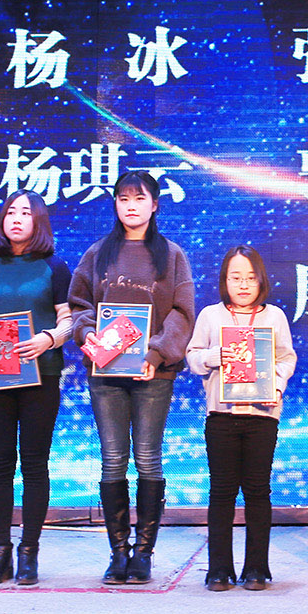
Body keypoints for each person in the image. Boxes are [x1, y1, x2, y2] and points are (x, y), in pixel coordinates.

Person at [67, 171, 196, 585]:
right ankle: (118, 552)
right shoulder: (97, 253)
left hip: (153, 374)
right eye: (123, 198)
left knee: (147, 458)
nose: (131, 206)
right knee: (112, 460)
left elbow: (182, 313)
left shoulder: (171, 255)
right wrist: (88, 334)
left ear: (154, 205)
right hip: (105, 373)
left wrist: (156, 354)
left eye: (139, 199)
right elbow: (79, 304)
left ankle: (143, 553)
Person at [0, 191, 72, 585]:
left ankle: (29, 552)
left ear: (38, 221)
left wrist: (48, 339)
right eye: (10, 211)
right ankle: (0, 553)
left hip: (41, 375)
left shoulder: (54, 268)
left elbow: (69, 321)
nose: (16, 218)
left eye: (26, 212)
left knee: (34, 464)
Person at [184, 246, 297, 590]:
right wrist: (215, 355)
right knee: (221, 492)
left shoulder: (274, 316)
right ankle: (218, 569)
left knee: (258, 491)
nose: (243, 284)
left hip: (262, 416)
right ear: (225, 280)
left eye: (250, 277)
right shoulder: (210, 315)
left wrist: (276, 385)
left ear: (261, 280)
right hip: (221, 415)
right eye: (236, 277)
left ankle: (257, 568)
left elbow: (286, 358)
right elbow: (192, 357)